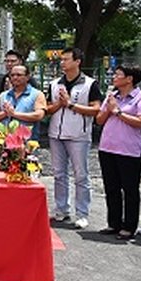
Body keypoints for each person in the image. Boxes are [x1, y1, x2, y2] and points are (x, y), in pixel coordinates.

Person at [45, 47, 102, 229]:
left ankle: (82, 213)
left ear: (78, 61)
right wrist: (59, 104)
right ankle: (62, 210)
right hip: (56, 134)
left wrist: (70, 105)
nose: (62, 63)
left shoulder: (90, 84)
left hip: (79, 135)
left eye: (66, 59)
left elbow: (96, 109)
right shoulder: (55, 84)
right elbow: (47, 108)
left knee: (81, 176)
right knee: (59, 174)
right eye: (61, 60)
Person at [95, 64, 141, 240]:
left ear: (129, 79)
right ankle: (114, 223)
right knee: (111, 187)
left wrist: (117, 111)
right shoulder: (113, 96)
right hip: (107, 148)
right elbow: (99, 120)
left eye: (118, 74)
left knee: (130, 189)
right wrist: (108, 108)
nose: (114, 77)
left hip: (129, 150)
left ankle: (129, 226)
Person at [0, 64, 46, 138]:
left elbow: (39, 115)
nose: (15, 77)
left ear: (27, 77)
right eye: (12, 75)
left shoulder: (37, 94)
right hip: (5, 141)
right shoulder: (3, 95)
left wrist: (14, 114)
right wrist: (5, 113)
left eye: (19, 75)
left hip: (27, 142)